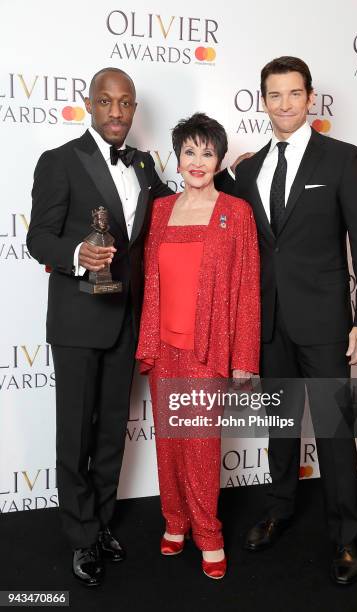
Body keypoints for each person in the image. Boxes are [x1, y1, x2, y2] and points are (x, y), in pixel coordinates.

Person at [215, 56, 357, 584]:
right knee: (280, 427)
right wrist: (222, 170)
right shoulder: (248, 169)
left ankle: (346, 534)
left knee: (334, 430)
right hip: (268, 322)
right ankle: (278, 510)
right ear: (261, 101)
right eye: (274, 95)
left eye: (294, 94)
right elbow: (212, 205)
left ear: (310, 98)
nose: (284, 104)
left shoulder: (342, 159)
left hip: (326, 321)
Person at [27, 67, 172, 587]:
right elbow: (38, 238)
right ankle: (81, 535)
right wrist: (75, 253)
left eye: (126, 102)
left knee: (112, 433)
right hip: (77, 321)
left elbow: (175, 208)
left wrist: (225, 176)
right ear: (89, 104)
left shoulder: (143, 165)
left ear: (134, 109)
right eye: (107, 101)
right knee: (75, 435)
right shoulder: (59, 162)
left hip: (126, 320)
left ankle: (103, 523)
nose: (117, 111)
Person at [136, 113, 260, 579]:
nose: (197, 161)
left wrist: (244, 357)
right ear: (177, 156)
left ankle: (209, 534)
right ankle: (175, 521)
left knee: (202, 444)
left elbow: (248, 288)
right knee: (169, 441)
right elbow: (150, 279)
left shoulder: (237, 212)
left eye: (207, 152)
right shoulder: (161, 210)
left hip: (208, 349)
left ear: (219, 159)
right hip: (165, 344)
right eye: (189, 151)